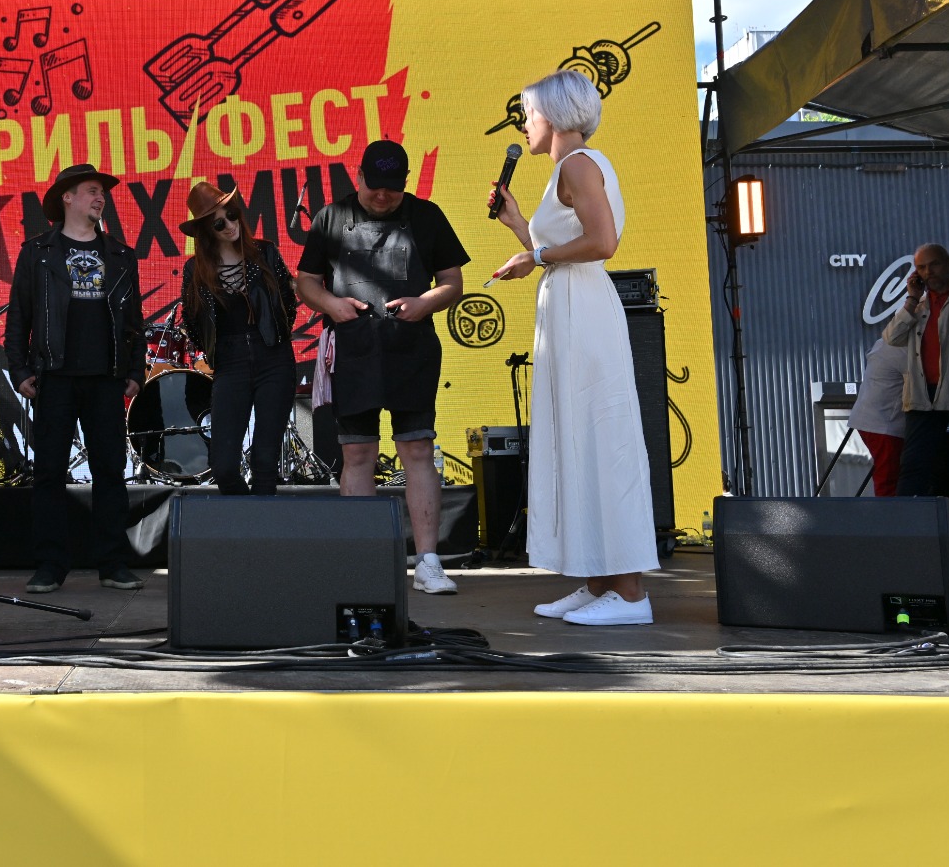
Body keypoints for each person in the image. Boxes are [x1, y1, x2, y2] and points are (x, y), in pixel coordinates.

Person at [488, 69, 658, 626]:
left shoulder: (579, 164)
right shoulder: (570, 168)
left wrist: (535, 256)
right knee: (578, 437)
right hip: (569, 305)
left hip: (582, 310)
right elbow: (564, 245)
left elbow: (603, 243)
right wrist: (520, 228)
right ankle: (598, 579)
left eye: (530, 114)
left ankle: (630, 595)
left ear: (556, 117)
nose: (525, 124)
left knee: (600, 438)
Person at [295, 139, 468, 594]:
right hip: (353, 347)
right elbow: (306, 281)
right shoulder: (331, 217)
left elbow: (452, 281)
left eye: (392, 188)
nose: (383, 195)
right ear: (359, 177)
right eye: (375, 186)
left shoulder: (427, 216)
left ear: (405, 183)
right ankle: (361, 560)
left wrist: (425, 302)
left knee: (417, 449)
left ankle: (428, 562)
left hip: (412, 347)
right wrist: (332, 305)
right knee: (357, 453)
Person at [3, 164, 145, 593]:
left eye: (102, 192)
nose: (100, 198)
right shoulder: (38, 252)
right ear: (67, 197)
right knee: (49, 472)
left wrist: (135, 371)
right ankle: (50, 565)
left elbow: (135, 323)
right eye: (92, 190)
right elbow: (18, 317)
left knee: (110, 470)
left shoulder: (120, 255)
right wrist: (20, 369)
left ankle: (113, 563)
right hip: (55, 376)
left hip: (106, 377)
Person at [178, 182, 299, 495]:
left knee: (265, 462)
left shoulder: (265, 253)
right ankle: (245, 515)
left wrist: (275, 336)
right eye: (219, 223)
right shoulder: (195, 270)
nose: (230, 225)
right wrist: (218, 351)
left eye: (231, 215)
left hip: (274, 358)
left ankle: (260, 524)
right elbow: (192, 323)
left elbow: (288, 304)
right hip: (230, 363)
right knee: (223, 466)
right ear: (206, 231)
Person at [885, 243, 949, 500]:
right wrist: (912, 297)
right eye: (921, 267)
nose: (928, 272)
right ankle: (906, 522)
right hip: (922, 394)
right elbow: (892, 338)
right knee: (913, 466)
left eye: (934, 264)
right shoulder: (918, 307)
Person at [846, 338, 907, 497]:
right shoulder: (906, 349)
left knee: (887, 474)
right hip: (885, 424)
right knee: (888, 478)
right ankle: (887, 510)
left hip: (868, 419)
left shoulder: (883, 342)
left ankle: (887, 507)